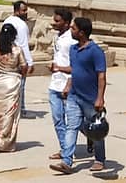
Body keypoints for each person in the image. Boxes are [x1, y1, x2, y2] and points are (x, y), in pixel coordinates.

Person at [49, 17, 107, 174]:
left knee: (96, 129)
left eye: (73, 29)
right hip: (74, 96)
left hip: (90, 98)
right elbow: (74, 70)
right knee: (71, 127)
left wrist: (100, 98)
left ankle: (100, 159)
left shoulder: (95, 52)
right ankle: (67, 161)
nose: (71, 31)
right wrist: (61, 72)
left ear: (81, 33)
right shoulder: (74, 50)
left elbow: (101, 76)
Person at [0, 23, 28, 153]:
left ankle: (1, 138)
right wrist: (21, 76)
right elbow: (24, 66)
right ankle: (5, 142)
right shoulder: (16, 50)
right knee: (10, 114)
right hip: (12, 84)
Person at [48, 8, 77, 161]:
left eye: (58, 21)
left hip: (68, 84)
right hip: (55, 83)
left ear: (66, 23)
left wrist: (69, 84)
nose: (54, 23)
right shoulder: (57, 38)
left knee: (73, 121)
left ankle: (92, 137)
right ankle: (65, 149)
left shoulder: (72, 40)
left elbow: (75, 64)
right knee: (57, 118)